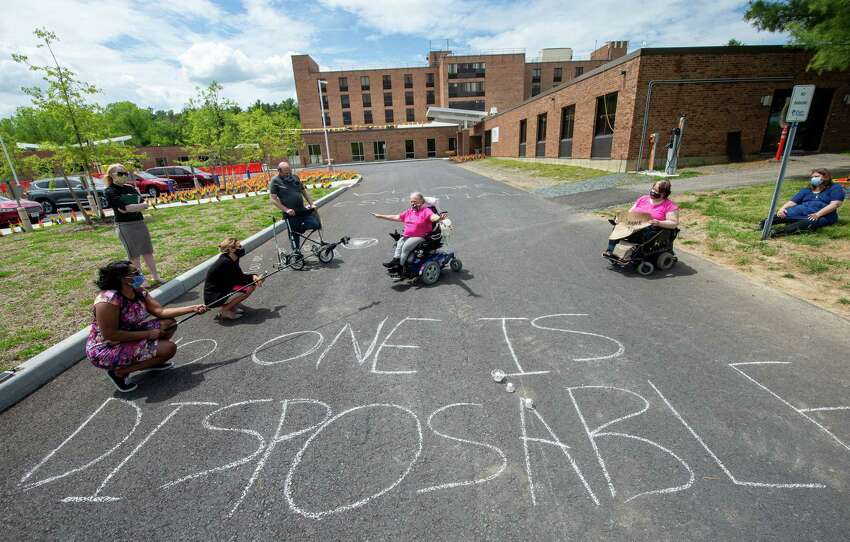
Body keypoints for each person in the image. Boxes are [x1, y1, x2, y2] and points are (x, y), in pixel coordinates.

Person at [86, 260, 207, 392]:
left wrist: (193, 308)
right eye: (135, 273)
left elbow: (160, 312)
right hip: (107, 347)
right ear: (123, 278)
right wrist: (148, 334)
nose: (140, 274)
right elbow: (110, 334)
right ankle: (120, 373)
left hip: (128, 333)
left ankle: (150, 360)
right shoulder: (108, 300)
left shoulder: (137, 290)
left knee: (169, 323)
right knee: (169, 349)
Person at [104, 163, 163, 287]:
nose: (124, 176)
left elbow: (144, 204)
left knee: (147, 251)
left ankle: (155, 276)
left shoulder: (130, 188)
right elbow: (123, 208)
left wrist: (133, 207)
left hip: (139, 223)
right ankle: (141, 281)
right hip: (125, 226)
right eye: (120, 173)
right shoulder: (110, 191)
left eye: (125, 173)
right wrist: (132, 207)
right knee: (134, 255)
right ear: (111, 175)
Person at [759, 168, 844, 237]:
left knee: (808, 222)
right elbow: (793, 202)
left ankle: (778, 232)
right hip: (801, 212)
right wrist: (782, 209)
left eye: (817, 176)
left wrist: (818, 214)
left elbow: (835, 204)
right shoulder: (806, 190)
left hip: (821, 216)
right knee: (781, 215)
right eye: (812, 177)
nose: (813, 179)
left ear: (826, 177)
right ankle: (763, 225)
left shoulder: (835, 188)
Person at [373, 192, 447, 271]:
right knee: (399, 243)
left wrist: (439, 218)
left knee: (406, 247)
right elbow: (397, 217)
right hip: (407, 235)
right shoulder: (409, 211)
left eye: (415, 201)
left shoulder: (426, 211)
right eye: (411, 202)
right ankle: (395, 260)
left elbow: (433, 217)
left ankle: (399, 267)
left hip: (421, 236)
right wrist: (380, 216)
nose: (413, 203)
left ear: (421, 201)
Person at [604, 180, 679, 257]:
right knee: (619, 226)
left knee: (638, 233)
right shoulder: (643, 199)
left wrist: (659, 223)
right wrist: (621, 218)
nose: (653, 191)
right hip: (635, 223)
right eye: (653, 189)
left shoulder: (669, 205)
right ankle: (610, 250)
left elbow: (674, 223)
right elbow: (630, 212)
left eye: (656, 191)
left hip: (651, 228)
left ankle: (631, 254)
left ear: (664, 193)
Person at [204, 238, 263, 320]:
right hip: (214, 297)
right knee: (248, 288)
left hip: (222, 288)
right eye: (239, 247)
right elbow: (239, 280)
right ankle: (224, 311)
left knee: (250, 284)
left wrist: (254, 277)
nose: (241, 248)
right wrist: (254, 278)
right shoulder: (225, 262)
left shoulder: (233, 258)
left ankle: (230, 307)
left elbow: (238, 275)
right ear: (231, 249)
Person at [268, 162, 319, 250]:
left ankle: (299, 230)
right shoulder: (275, 181)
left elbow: (304, 191)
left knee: (315, 224)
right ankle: (297, 254)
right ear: (279, 171)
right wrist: (286, 210)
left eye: (289, 171)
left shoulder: (295, 177)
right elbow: (273, 199)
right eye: (286, 172)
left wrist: (311, 203)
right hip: (291, 214)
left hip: (302, 210)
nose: (288, 174)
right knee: (294, 236)